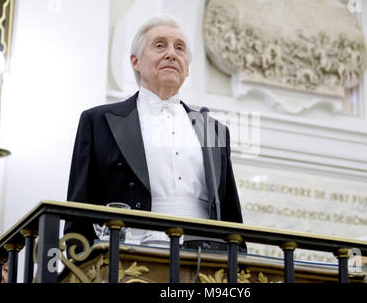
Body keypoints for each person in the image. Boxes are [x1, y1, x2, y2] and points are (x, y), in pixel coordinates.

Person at [64, 15, 245, 249]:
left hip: (204, 261)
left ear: (187, 68)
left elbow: (230, 213)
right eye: (159, 45)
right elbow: (79, 206)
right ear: (135, 61)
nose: (172, 53)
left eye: (180, 48)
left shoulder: (214, 130)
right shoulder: (97, 121)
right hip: (127, 258)